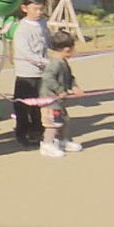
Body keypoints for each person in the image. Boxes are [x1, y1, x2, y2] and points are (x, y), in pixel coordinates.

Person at [11, 0, 50, 147]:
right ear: (25, 8)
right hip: (26, 73)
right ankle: (21, 133)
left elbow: (47, 42)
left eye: (41, 9)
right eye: (35, 9)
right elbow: (24, 52)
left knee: (38, 105)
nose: (38, 12)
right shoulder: (22, 29)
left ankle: (37, 130)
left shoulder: (43, 24)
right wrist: (41, 61)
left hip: (41, 74)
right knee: (23, 105)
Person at [38, 30, 85, 158]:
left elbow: (69, 77)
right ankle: (47, 144)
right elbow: (48, 79)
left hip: (59, 102)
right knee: (52, 123)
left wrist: (74, 86)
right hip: (50, 101)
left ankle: (64, 141)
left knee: (65, 121)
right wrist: (60, 90)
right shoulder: (54, 64)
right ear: (66, 49)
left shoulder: (63, 62)